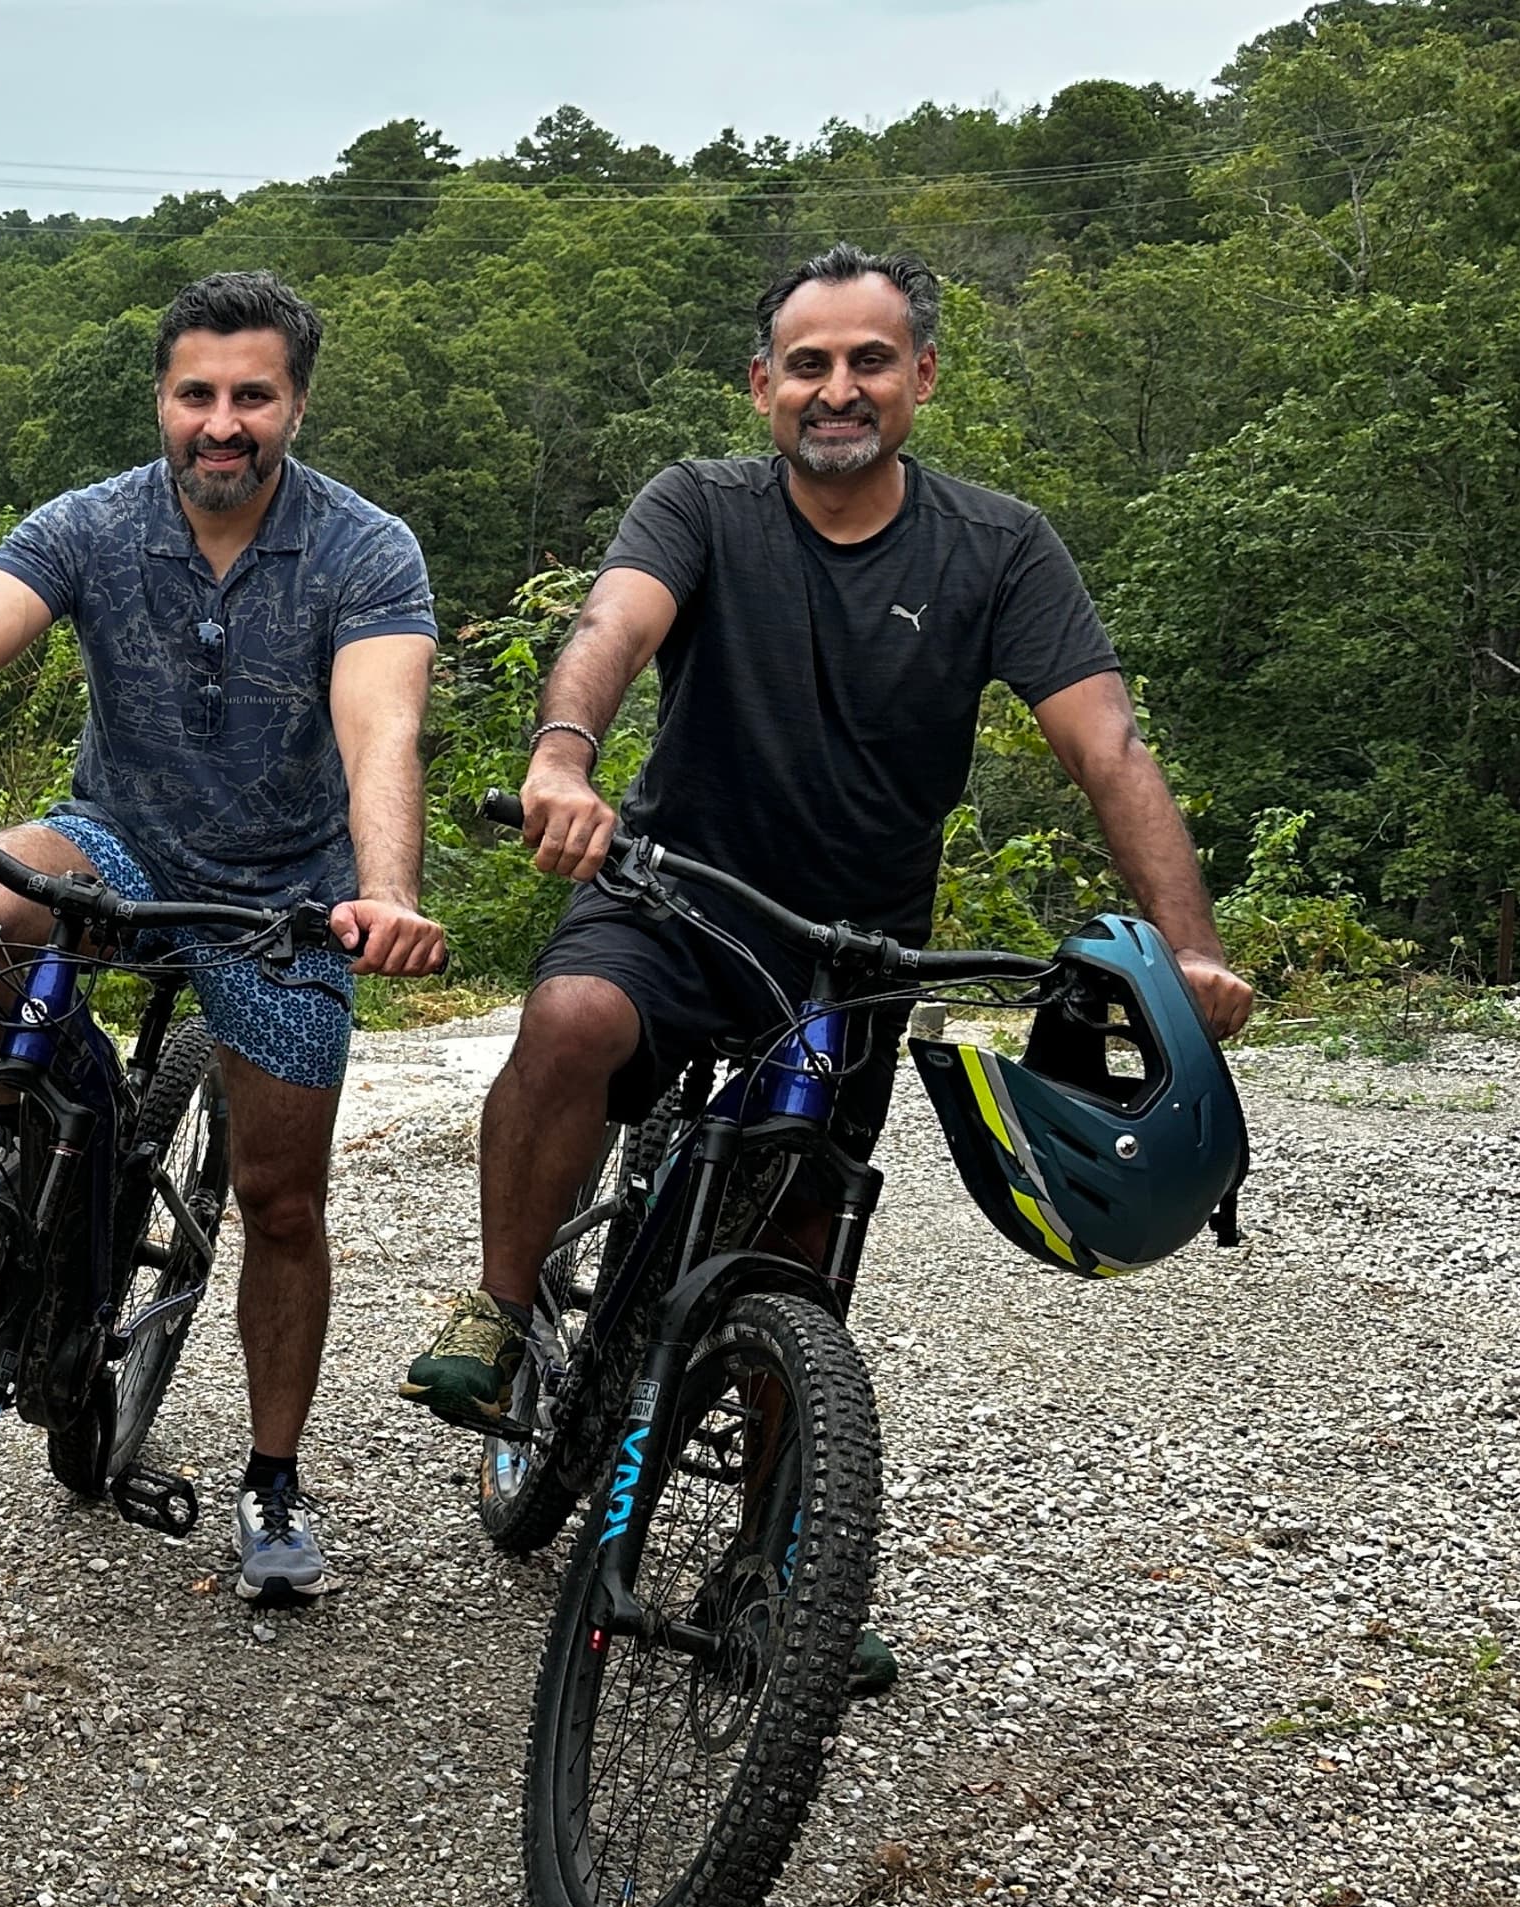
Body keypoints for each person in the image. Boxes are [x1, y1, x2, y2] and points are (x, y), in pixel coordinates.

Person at [400, 246, 1256, 1682]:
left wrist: (1188, 949)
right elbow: (614, 622)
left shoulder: (999, 549)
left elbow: (1103, 741)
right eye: (808, 364)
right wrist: (564, 757)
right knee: (570, 1016)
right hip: (679, 891)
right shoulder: (702, 507)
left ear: (920, 375)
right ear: (762, 386)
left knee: (800, 1263)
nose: (837, 389)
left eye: (869, 361)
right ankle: (499, 1300)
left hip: (851, 952)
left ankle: (773, 1572)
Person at [0, 269, 448, 1606]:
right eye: (198, 394)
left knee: (281, 1197)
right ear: (163, 400)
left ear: (296, 403)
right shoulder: (92, 524)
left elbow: (384, 727)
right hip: (117, 843)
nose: (223, 422)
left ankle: (271, 1477)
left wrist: (388, 887)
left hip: (287, 895)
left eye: (254, 395)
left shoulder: (367, 550)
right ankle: (43, 1125)